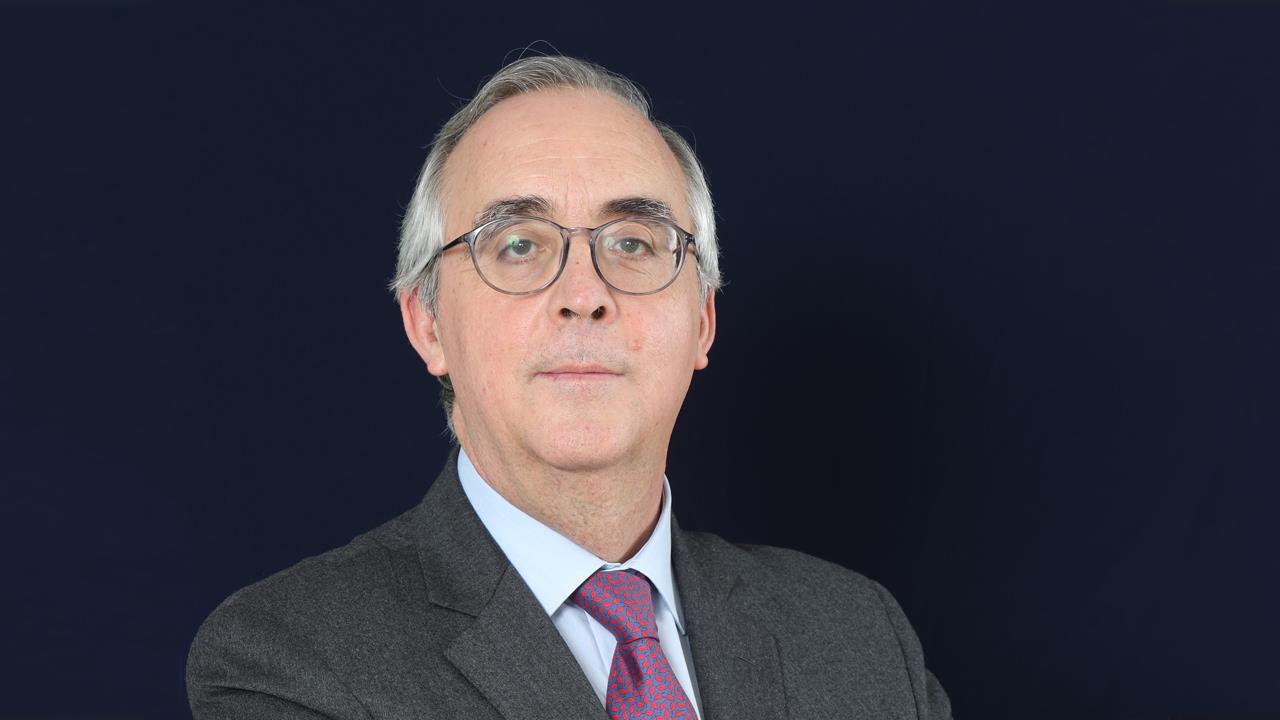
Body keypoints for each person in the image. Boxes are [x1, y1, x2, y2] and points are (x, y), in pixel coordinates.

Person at [186, 55, 952, 720]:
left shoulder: (859, 636)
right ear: (428, 323)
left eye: (634, 243)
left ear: (702, 322)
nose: (584, 294)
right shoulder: (291, 657)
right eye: (518, 245)